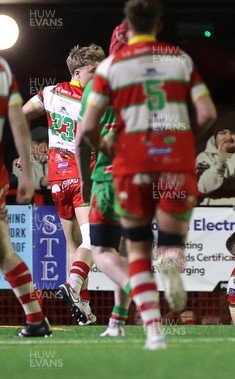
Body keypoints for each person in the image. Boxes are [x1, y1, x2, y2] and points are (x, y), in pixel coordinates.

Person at [78, 0, 217, 350]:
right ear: (159, 23)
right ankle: (170, 260)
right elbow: (208, 113)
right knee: (168, 243)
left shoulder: (110, 67)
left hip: (129, 165)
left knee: (135, 249)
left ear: (127, 22)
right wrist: (187, 142)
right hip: (175, 161)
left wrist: (107, 147)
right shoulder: (180, 59)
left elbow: (87, 130)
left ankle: (154, 331)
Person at [22, 43, 106, 326]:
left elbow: (21, 114)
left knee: (74, 247)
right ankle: (73, 287)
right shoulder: (95, 100)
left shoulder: (48, 93)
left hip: (57, 181)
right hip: (84, 177)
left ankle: (84, 309)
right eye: (95, 70)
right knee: (94, 240)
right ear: (78, 72)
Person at [76, 20, 132, 337]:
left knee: (102, 252)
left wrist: (85, 180)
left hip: (108, 179)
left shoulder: (98, 87)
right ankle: (116, 323)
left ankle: (141, 292)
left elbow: (83, 137)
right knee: (124, 253)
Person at [0, 56, 52, 337]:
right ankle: (36, 320)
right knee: (5, 252)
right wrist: (29, 176)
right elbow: (18, 121)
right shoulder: (4, 68)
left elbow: (20, 120)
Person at [12, 126, 49, 192]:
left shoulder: (57, 162)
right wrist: (41, 181)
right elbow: (22, 183)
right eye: (38, 143)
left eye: (47, 143)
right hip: (32, 200)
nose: (44, 148)